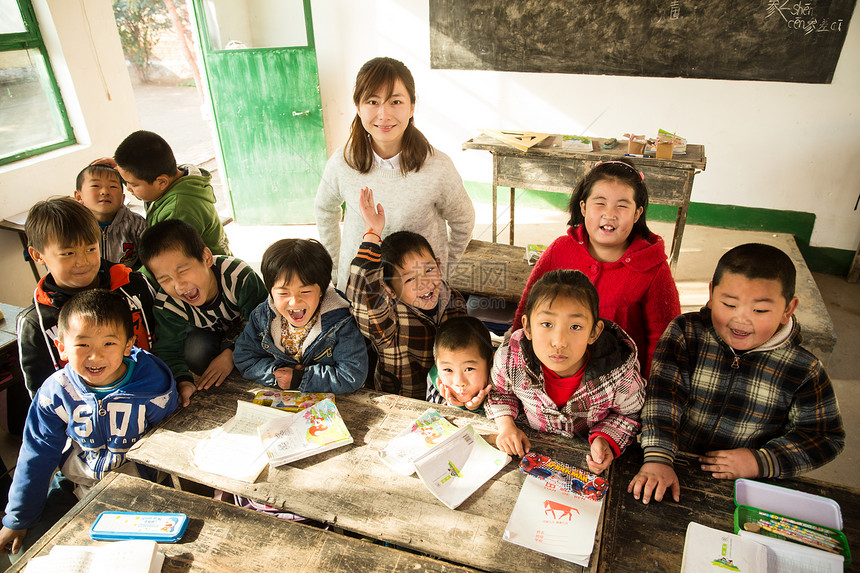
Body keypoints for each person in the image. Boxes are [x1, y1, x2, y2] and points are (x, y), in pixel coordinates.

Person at [628, 243, 845, 504]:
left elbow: (824, 436)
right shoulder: (685, 333)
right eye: (729, 304)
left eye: (760, 310)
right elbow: (662, 400)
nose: (741, 319)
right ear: (711, 293)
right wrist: (658, 457)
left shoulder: (803, 369)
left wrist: (761, 460)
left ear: (788, 309)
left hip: (745, 486)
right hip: (673, 465)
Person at [0, 290, 184, 559]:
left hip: (137, 486)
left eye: (109, 344)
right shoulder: (56, 392)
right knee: (26, 553)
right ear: (61, 347)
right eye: (82, 345)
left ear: (128, 345)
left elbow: (171, 443)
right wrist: (17, 519)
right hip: (77, 482)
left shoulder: (152, 385)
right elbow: (37, 454)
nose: (95, 357)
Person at [315, 56, 475, 291]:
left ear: (412, 107)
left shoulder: (438, 166)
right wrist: (337, 269)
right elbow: (324, 210)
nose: (384, 114)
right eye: (372, 101)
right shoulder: (342, 161)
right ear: (358, 107)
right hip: (359, 292)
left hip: (419, 294)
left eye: (396, 102)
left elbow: (464, 220)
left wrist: (441, 273)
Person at [512, 159, 680, 377]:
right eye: (600, 203)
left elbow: (663, 339)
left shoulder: (653, 267)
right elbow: (527, 307)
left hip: (620, 387)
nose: (609, 214)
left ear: (637, 214)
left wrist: (651, 391)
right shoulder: (559, 250)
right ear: (583, 207)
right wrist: (514, 363)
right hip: (553, 376)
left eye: (622, 205)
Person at [487, 269, 645, 475]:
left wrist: (605, 438)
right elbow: (500, 392)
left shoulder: (619, 373)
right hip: (529, 456)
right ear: (527, 327)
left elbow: (631, 414)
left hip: (583, 464)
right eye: (546, 324)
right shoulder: (510, 358)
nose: (559, 342)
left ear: (594, 332)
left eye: (576, 326)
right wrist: (506, 426)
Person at [17, 197, 157, 400]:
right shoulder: (35, 322)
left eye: (91, 249)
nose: (82, 261)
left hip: (155, 394)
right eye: (68, 253)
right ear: (37, 256)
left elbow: (166, 337)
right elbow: (42, 395)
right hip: (88, 419)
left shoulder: (133, 285)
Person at [346, 187, 467, 399]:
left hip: (449, 399)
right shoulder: (389, 321)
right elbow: (364, 297)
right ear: (390, 289)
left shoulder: (454, 300)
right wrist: (372, 235)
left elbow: (467, 353)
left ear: (439, 266)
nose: (425, 283)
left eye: (429, 270)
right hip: (402, 404)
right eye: (410, 279)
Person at [138, 219, 267, 392]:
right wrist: (183, 381)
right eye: (165, 279)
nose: (179, 286)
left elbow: (262, 320)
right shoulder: (167, 304)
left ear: (206, 257)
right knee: (195, 353)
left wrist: (230, 353)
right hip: (208, 336)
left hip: (245, 330)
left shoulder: (238, 276)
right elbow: (168, 350)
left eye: (182, 271)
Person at [233, 238, 368, 393]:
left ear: (322, 290)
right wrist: (278, 374)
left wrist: (300, 378)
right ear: (270, 291)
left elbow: (352, 375)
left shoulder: (340, 322)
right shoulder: (262, 317)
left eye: (305, 292)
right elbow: (244, 358)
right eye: (283, 293)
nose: (294, 301)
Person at [113, 130, 231, 256]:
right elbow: (144, 179)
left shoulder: (179, 210)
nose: (129, 188)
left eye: (133, 184)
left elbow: (165, 260)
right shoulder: (175, 177)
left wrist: (129, 276)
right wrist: (122, 170)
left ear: (161, 182)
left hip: (206, 271)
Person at [73, 162, 146, 268]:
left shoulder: (137, 224)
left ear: (122, 199)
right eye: (95, 186)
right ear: (79, 197)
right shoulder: (71, 226)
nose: (105, 191)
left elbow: (151, 259)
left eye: (113, 186)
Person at [426, 316, 493, 414]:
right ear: (437, 364)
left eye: (469, 369)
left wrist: (477, 408)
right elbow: (436, 420)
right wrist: (455, 406)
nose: (459, 382)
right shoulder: (435, 380)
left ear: (490, 361)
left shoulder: (501, 376)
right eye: (448, 370)